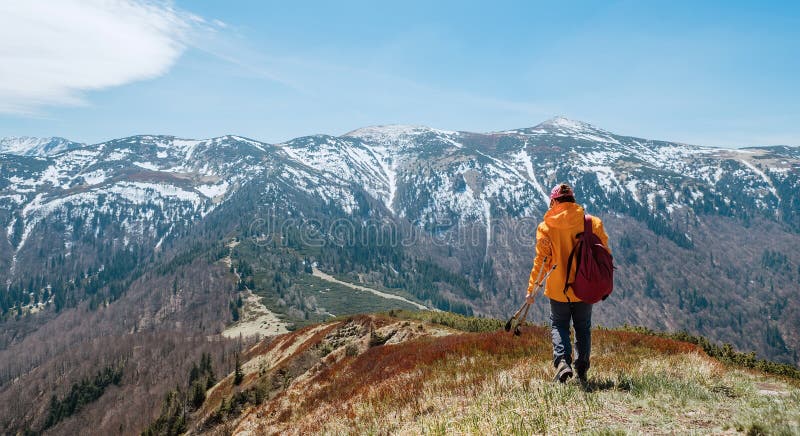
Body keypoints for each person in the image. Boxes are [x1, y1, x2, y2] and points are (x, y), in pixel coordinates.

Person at [526, 183, 610, 383]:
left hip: (557, 288)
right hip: (585, 286)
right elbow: (604, 254)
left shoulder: (546, 227)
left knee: (559, 325)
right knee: (582, 327)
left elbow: (541, 262)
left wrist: (531, 291)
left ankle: (563, 362)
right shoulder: (592, 223)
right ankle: (582, 367)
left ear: (554, 201)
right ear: (572, 199)